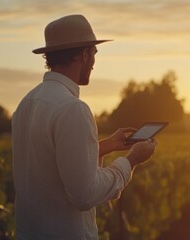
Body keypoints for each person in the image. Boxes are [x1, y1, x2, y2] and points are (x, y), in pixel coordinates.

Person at [11, 14, 158, 240]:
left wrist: (105, 146)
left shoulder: (25, 104)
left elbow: (51, 162)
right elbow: (85, 195)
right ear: (83, 54)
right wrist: (130, 161)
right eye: (94, 53)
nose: (94, 61)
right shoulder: (73, 109)